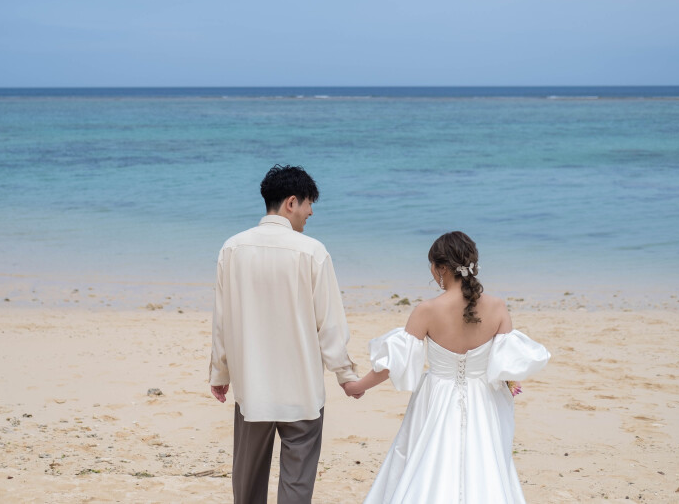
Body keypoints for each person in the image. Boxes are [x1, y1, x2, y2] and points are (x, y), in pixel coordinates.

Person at [343, 231, 550, 504]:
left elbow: (394, 364)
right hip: (483, 399)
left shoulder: (426, 310)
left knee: (426, 458)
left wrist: (357, 386)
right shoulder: (497, 307)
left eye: (432, 266)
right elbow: (508, 366)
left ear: (442, 268)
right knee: (484, 463)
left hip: (436, 397)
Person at [209, 164, 360, 504]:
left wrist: (220, 372)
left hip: (253, 387)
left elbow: (223, 321)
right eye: (308, 204)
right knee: (297, 486)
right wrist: (345, 375)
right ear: (291, 202)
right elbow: (330, 324)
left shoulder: (232, 248)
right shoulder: (312, 251)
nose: (310, 213)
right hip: (302, 389)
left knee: (247, 486)